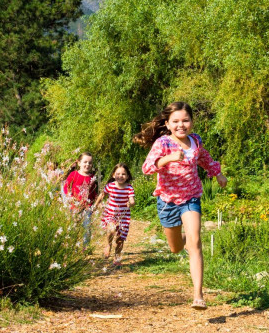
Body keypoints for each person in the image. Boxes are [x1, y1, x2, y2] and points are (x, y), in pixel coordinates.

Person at [137, 101, 227, 310]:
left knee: (196, 243)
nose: (181, 125)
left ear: (192, 122)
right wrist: (167, 159)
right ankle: (183, 238)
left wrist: (218, 173)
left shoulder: (195, 141)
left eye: (185, 120)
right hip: (167, 200)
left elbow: (204, 158)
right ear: (168, 124)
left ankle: (198, 295)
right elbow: (147, 168)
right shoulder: (163, 143)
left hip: (191, 197)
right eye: (176, 121)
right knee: (176, 248)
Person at [96, 163, 135, 265]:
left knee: (120, 239)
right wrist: (97, 204)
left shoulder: (129, 188)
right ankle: (108, 244)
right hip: (111, 214)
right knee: (111, 229)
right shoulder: (110, 186)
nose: (120, 176)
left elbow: (132, 200)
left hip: (123, 216)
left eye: (123, 174)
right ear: (113, 175)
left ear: (127, 176)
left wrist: (130, 203)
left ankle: (117, 258)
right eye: (118, 174)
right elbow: (102, 195)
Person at [62, 152, 99, 246]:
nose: (87, 164)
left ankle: (85, 247)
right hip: (75, 205)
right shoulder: (74, 174)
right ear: (79, 163)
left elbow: (93, 191)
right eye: (85, 162)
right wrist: (69, 197)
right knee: (74, 226)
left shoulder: (92, 177)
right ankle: (72, 246)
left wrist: (96, 202)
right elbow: (66, 187)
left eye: (90, 163)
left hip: (87, 206)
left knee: (87, 226)